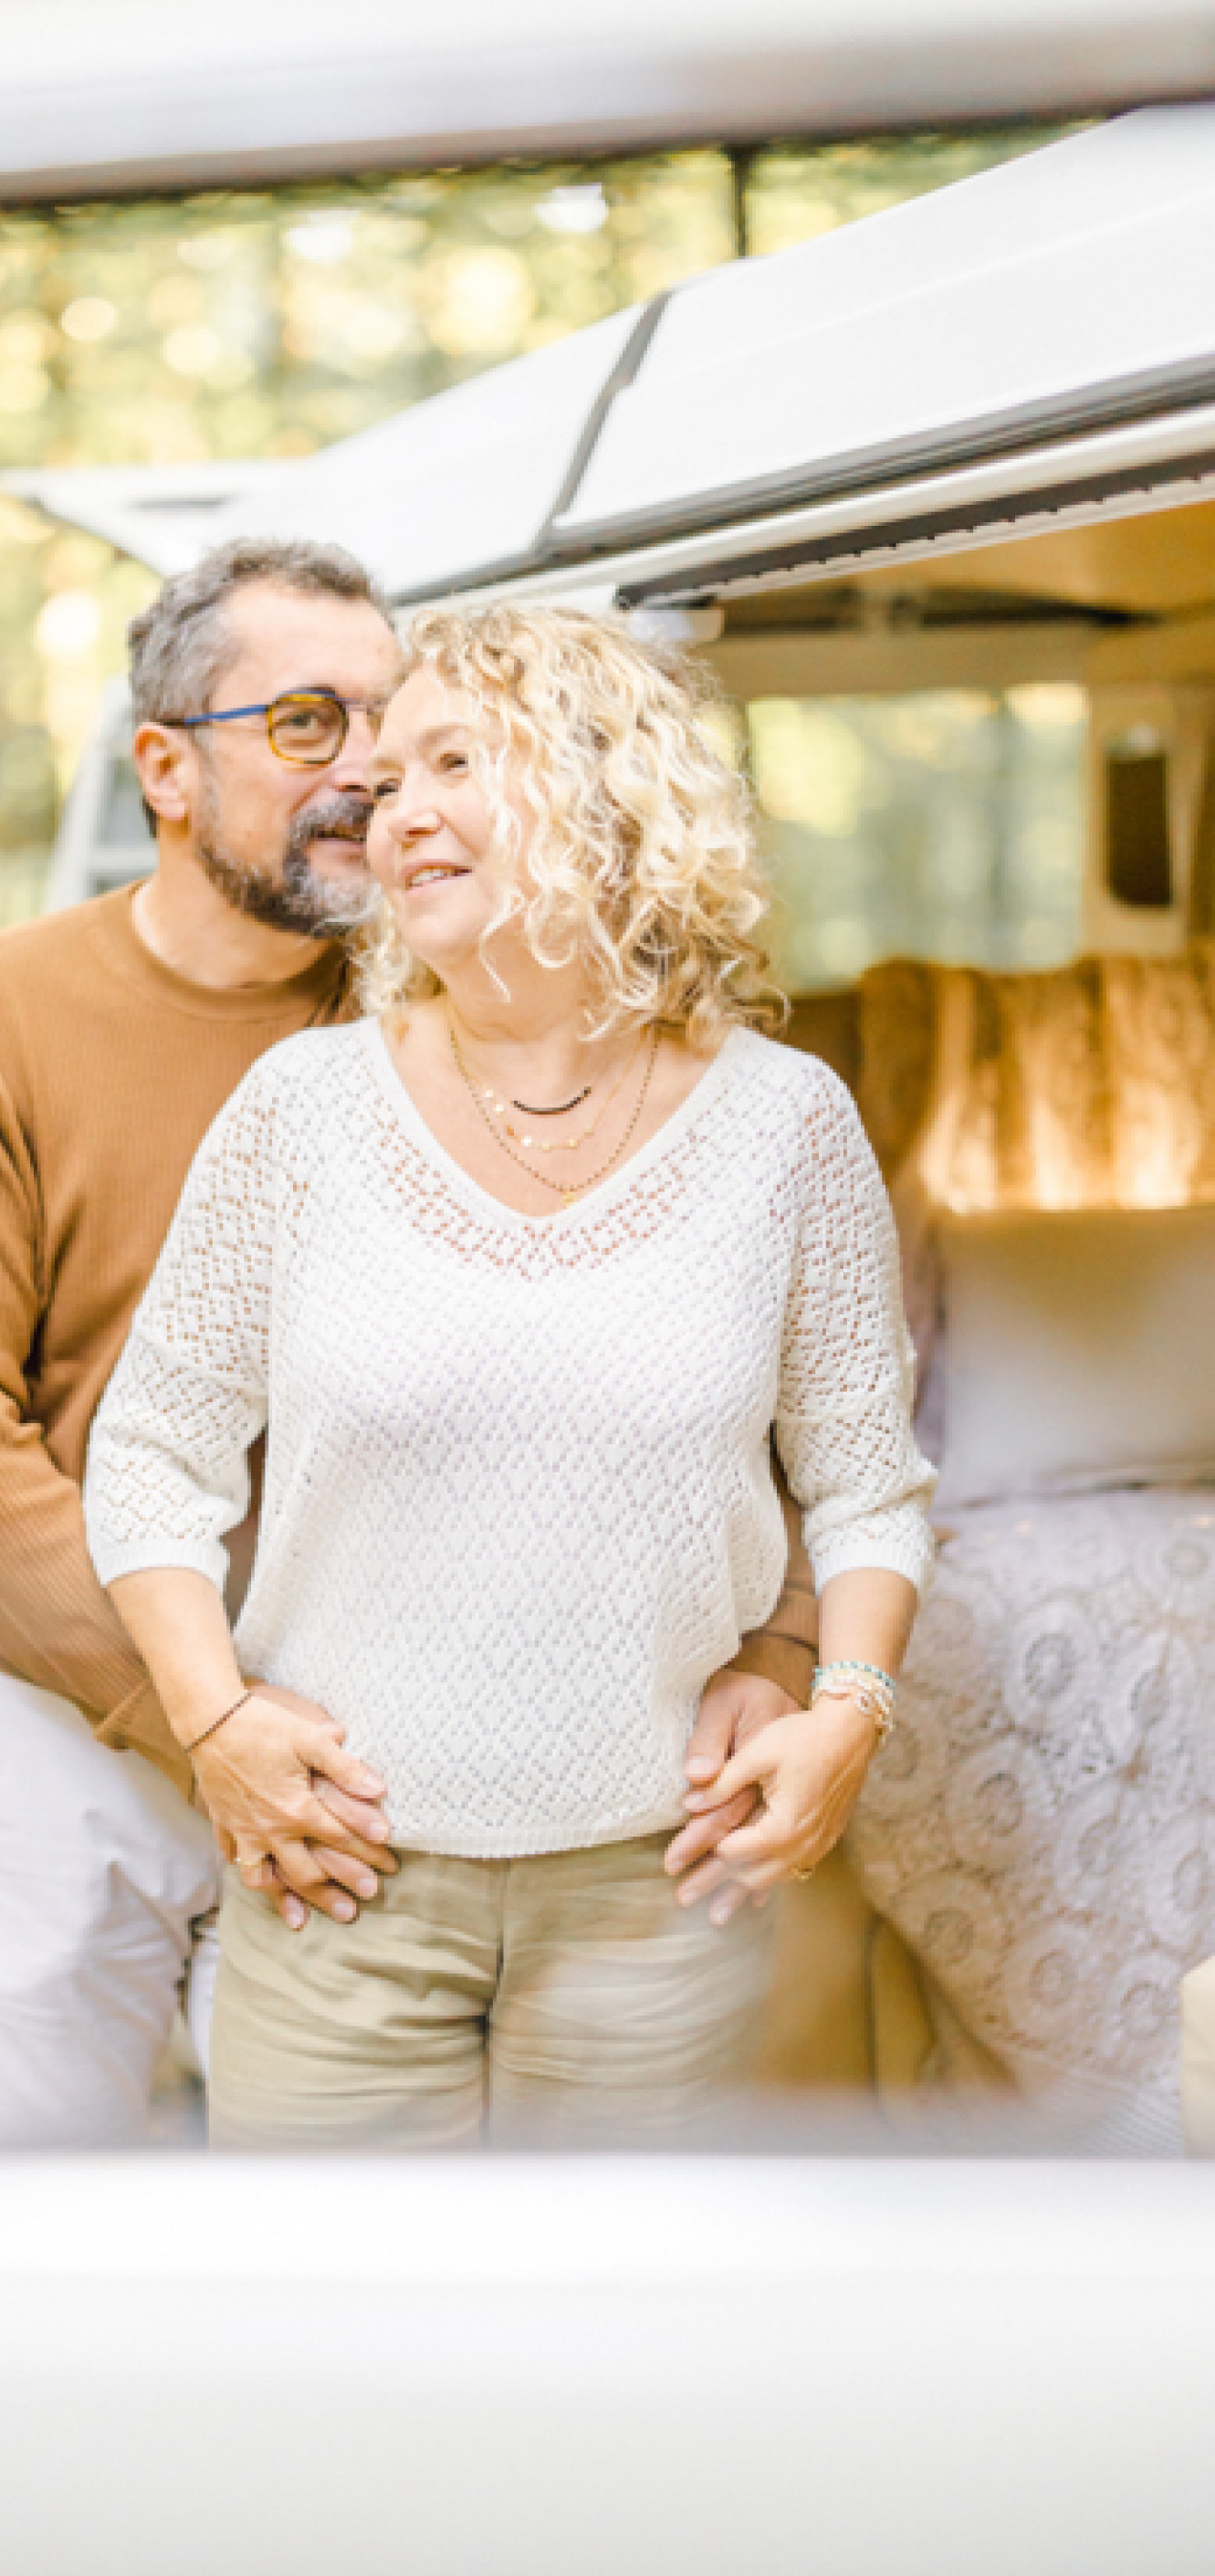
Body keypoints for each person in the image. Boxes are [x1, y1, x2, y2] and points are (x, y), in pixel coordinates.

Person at [0, 545, 815, 2152]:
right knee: (37, 2224)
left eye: (392, 720)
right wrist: (207, 1720)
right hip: (57, 1718)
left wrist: (778, 1650)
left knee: (335, 2252)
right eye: (308, 721)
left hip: (374, 1752)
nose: (367, 771)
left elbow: (726, 1397)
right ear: (164, 766)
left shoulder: (456, 1025)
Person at [84, 601, 933, 2152]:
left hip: (661, 1902)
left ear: (607, 790)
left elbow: (868, 1485)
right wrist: (213, 1726)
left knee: (617, 2375)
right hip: (337, 1885)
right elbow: (151, 1453)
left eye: (451, 761)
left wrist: (846, 1709)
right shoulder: (301, 1109)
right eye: (384, 781)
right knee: (343, 2372)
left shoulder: (787, 1128)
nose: (392, 809)